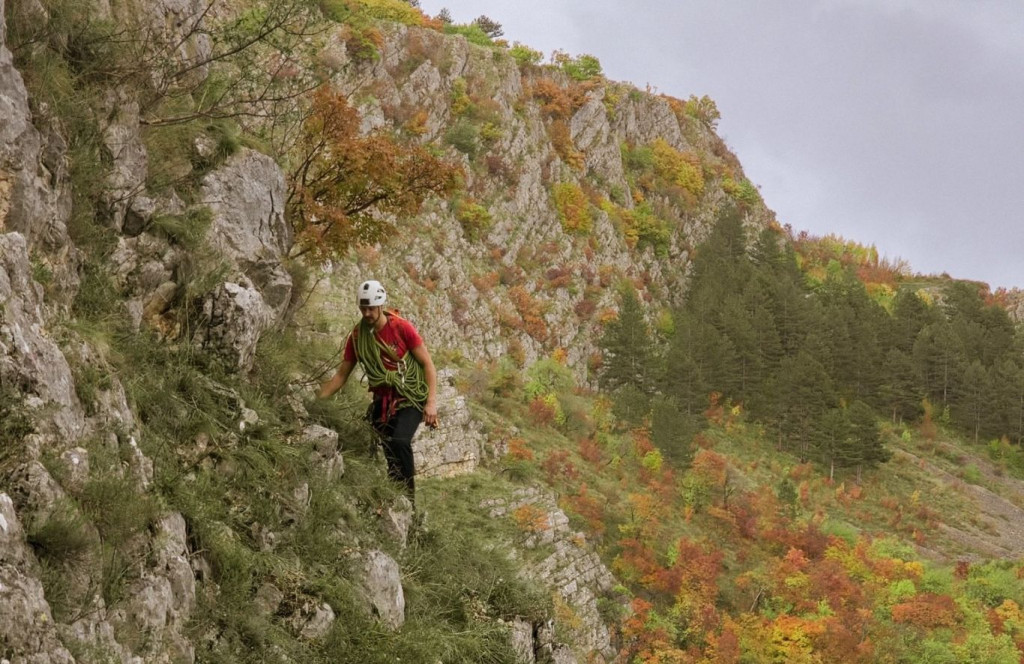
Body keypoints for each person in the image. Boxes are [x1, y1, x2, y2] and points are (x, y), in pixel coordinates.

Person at [318, 280, 438, 503]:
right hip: (382, 402)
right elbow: (341, 375)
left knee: (400, 442)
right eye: (363, 308)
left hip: (410, 397)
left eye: (371, 307)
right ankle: (395, 498)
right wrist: (318, 400)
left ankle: (409, 501)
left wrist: (431, 402)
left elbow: (428, 364)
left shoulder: (402, 328)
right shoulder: (357, 337)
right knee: (390, 453)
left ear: (381, 305)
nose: (367, 313)